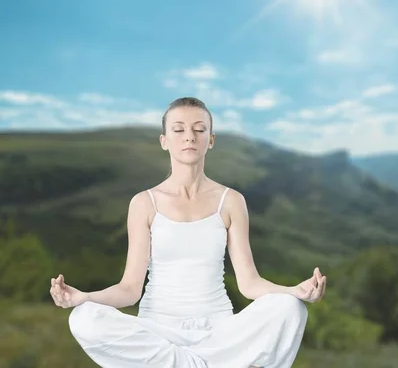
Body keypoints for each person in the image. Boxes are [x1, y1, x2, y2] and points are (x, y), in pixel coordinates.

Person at [48, 96, 327, 368]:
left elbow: (250, 284)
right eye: (179, 129)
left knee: (290, 309)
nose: (189, 137)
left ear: (211, 140)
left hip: (218, 332)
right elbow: (129, 290)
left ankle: (190, 363)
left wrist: (294, 291)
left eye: (199, 129)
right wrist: (83, 297)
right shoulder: (144, 203)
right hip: (158, 331)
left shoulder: (230, 201)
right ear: (164, 141)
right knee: (83, 318)